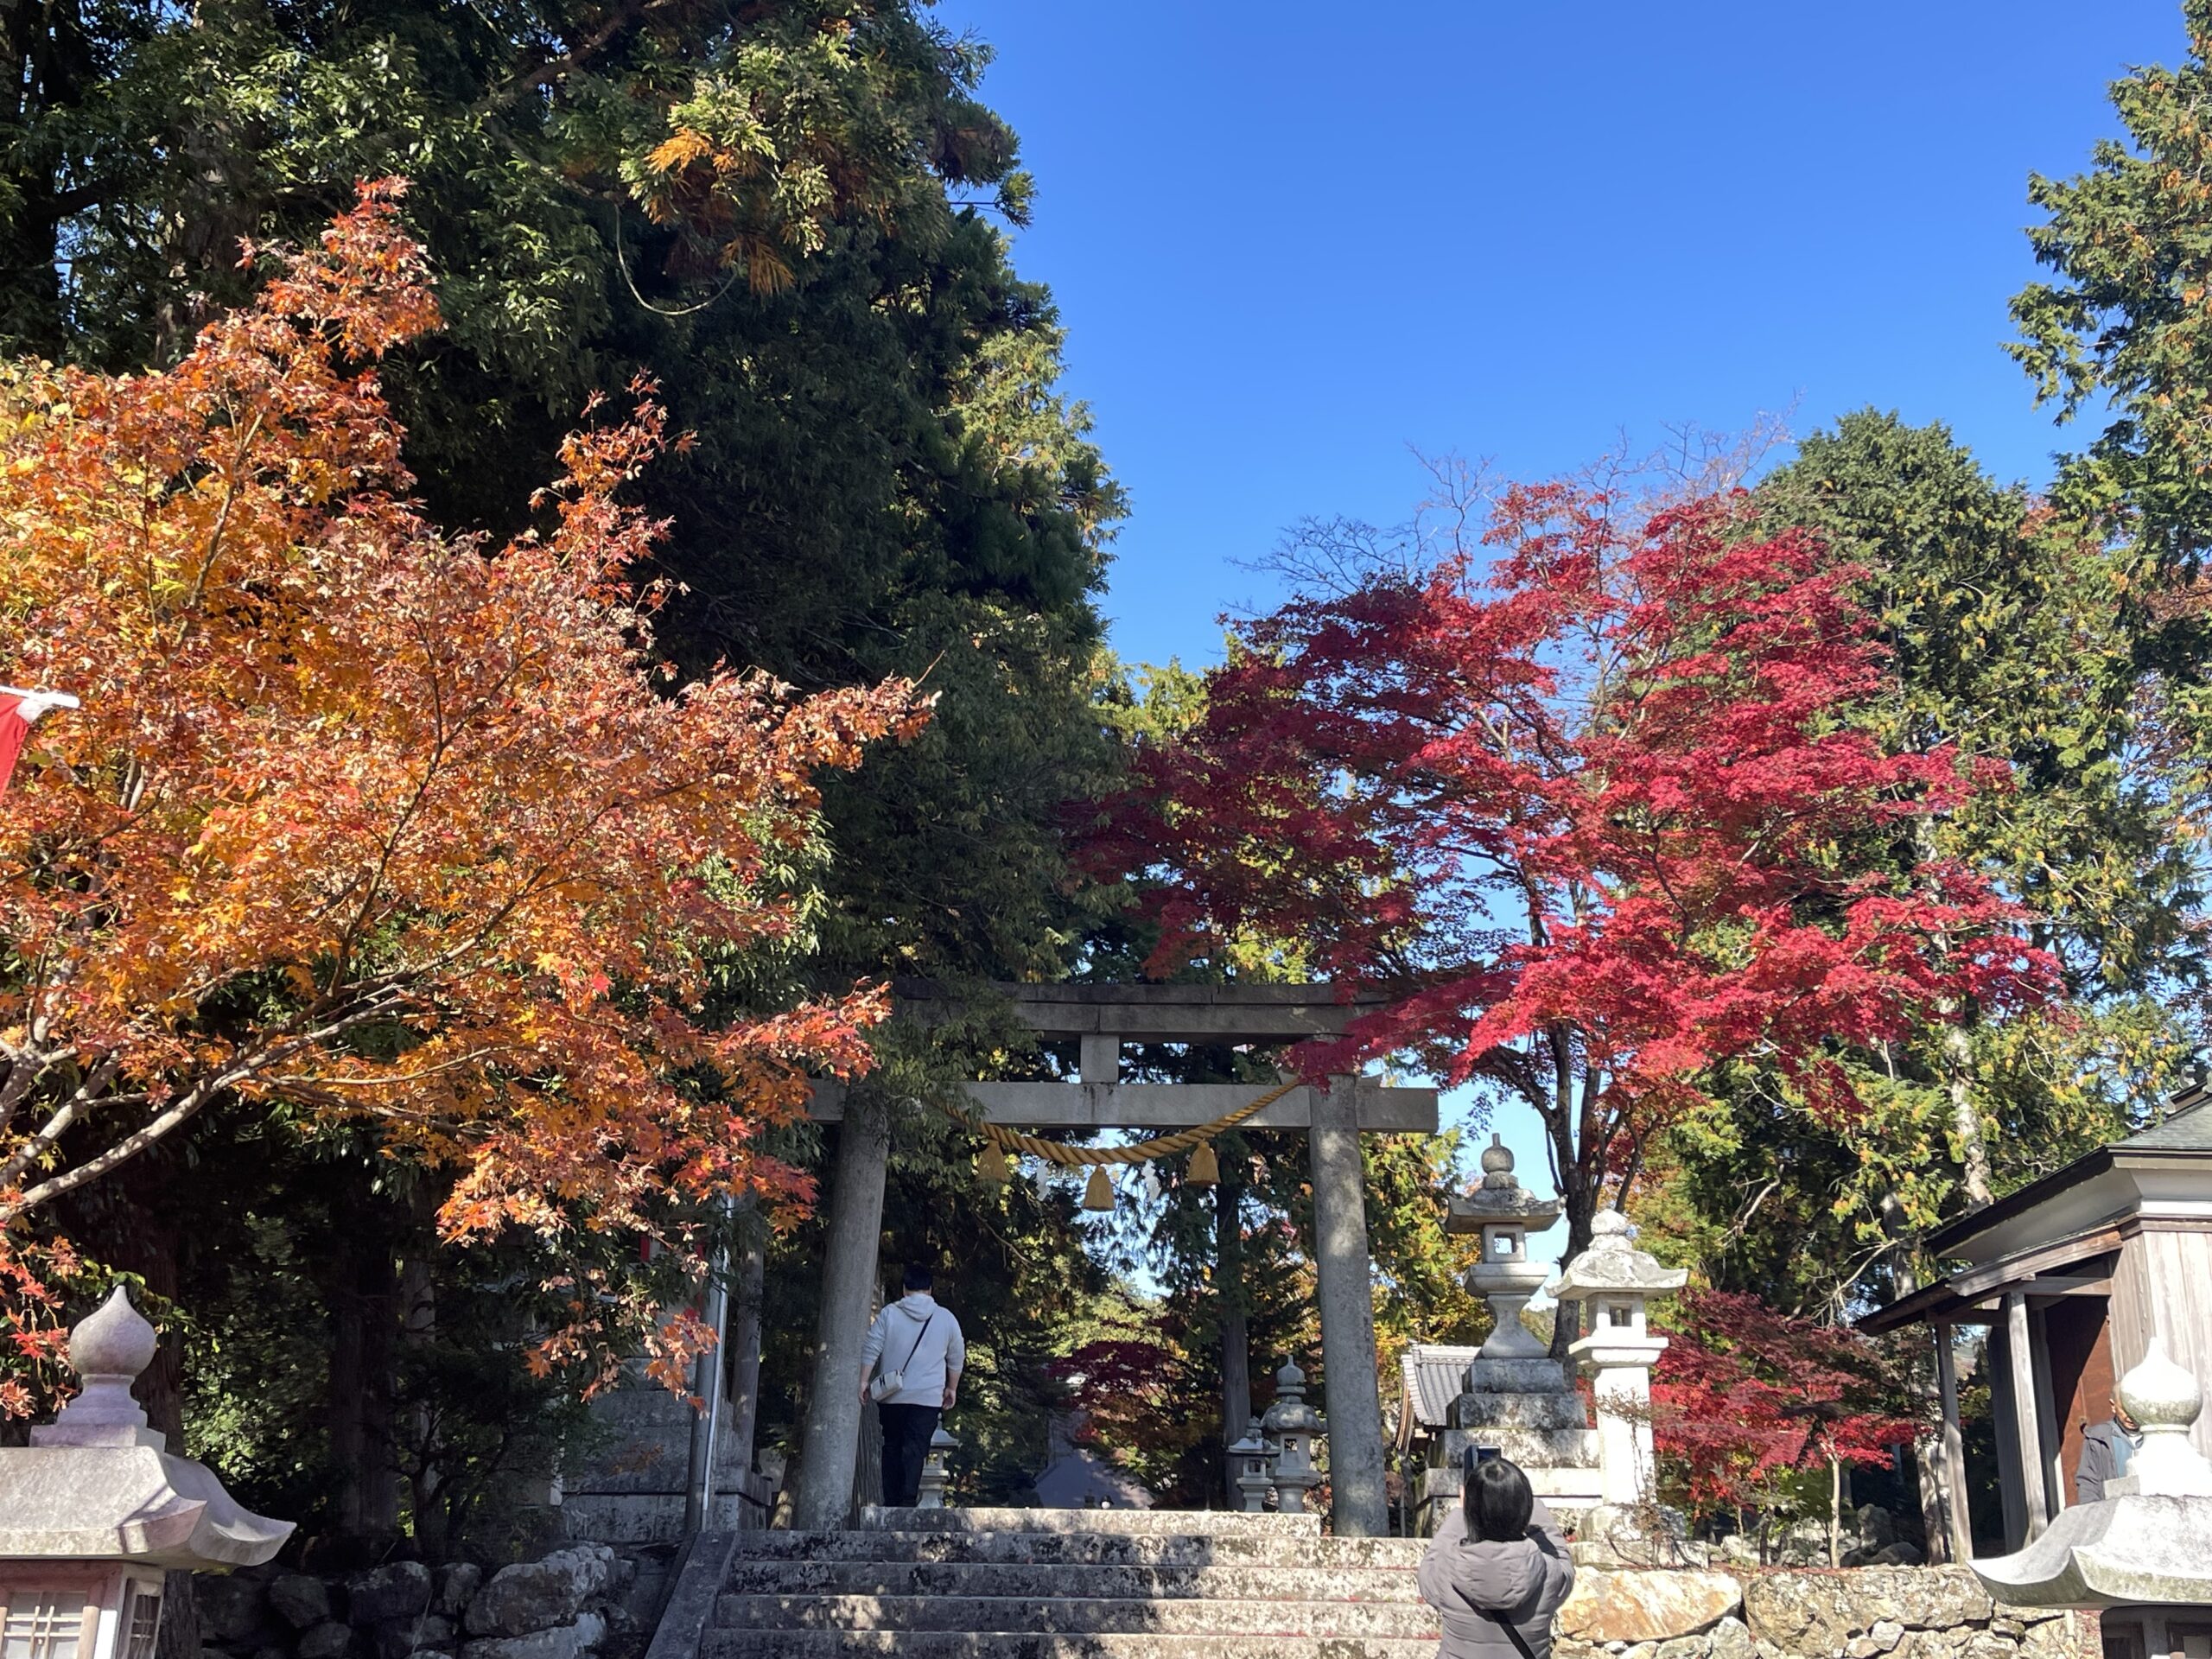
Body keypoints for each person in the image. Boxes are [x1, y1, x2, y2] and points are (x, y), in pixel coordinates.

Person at [1418, 1456, 1577, 1659]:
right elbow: (1562, 1558)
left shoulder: (1444, 1570)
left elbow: (1429, 1562)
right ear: (1525, 1507)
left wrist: (1461, 1512)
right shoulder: (1548, 1574)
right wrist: (1532, 1506)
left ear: (1470, 1510)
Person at [859, 1263, 965, 1507]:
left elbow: (872, 1347)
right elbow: (956, 1357)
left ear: (905, 1289)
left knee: (892, 1445)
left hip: (893, 1395)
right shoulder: (946, 1318)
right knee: (916, 1449)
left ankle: (891, 1502)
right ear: (930, 1289)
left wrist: (864, 1381)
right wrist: (951, 1388)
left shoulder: (889, 1314)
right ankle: (908, 1500)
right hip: (928, 1397)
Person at [2075, 1395, 2141, 1504]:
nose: (2131, 1416)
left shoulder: (2160, 1434)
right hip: (2113, 1510)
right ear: (2113, 1406)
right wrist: (2095, 1512)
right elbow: (2088, 1483)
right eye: (2125, 1410)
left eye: (2135, 1408)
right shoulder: (2097, 1438)